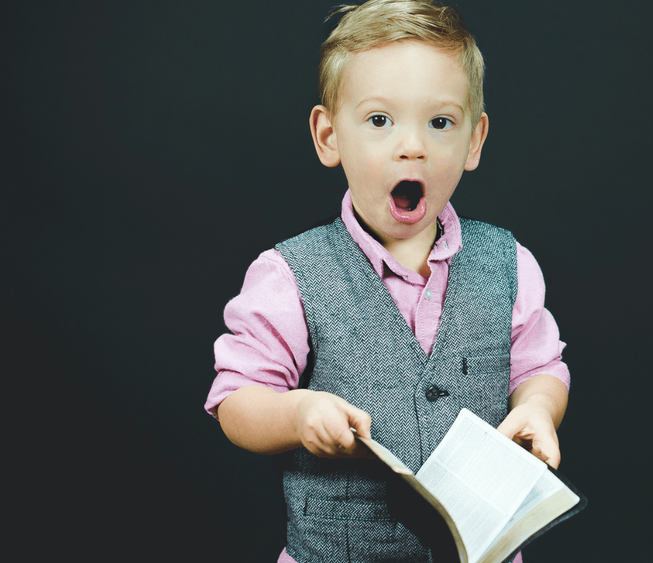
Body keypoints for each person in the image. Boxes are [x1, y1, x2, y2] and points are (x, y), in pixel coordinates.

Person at [204, 1, 570, 561]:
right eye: (380, 120)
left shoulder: (509, 263)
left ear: (474, 140)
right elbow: (236, 401)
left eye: (440, 122)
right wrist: (299, 414)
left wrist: (540, 408)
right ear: (329, 136)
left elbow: (541, 368)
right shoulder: (289, 276)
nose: (412, 145)